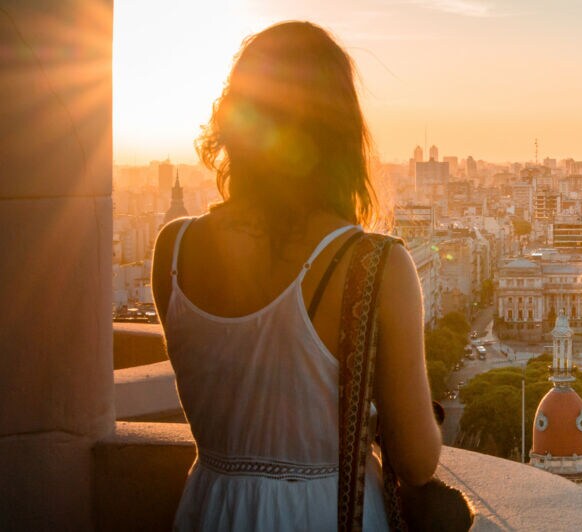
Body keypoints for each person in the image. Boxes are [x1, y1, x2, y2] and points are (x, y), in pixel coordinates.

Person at [151, 21, 441, 531]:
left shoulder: (172, 249)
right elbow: (418, 461)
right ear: (341, 135)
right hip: (327, 514)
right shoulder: (375, 264)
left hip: (212, 509)